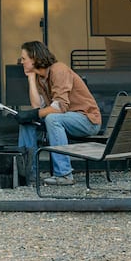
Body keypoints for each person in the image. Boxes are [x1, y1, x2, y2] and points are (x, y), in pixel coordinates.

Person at [9, 41, 102, 186]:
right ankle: (28, 174)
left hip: (87, 120)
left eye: (24, 58)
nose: (21, 62)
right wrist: (31, 78)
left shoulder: (59, 70)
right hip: (63, 119)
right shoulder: (40, 78)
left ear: (34, 58)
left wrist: (34, 114)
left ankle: (64, 174)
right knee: (27, 122)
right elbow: (37, 107)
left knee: (52, 118)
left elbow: (60, 107)